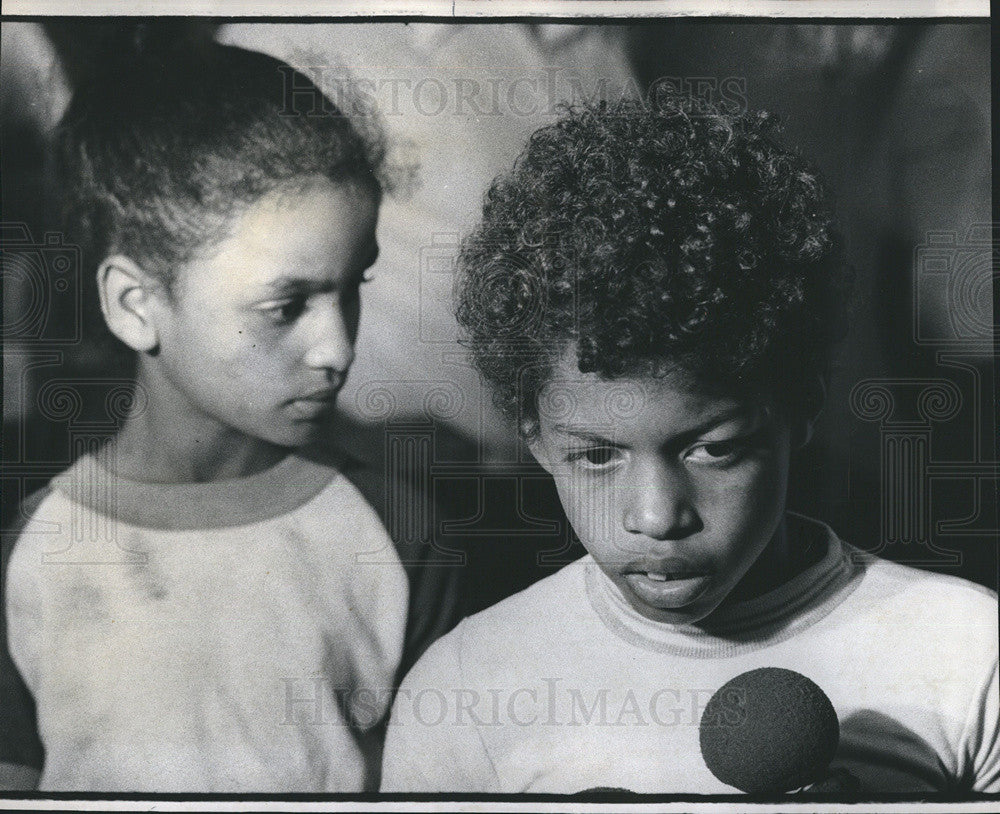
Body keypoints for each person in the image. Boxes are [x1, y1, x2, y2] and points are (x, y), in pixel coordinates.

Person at [379, 98, 999, 794]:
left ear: (800, 409)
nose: (656, 516)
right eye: (597, 455)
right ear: (535, 438)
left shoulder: (970, 652)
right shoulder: (466, 692)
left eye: (713, 449)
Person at [1, 33, 415, 792]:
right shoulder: (29, 558)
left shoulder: (400, 532)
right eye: (286, 305)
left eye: (353, 286)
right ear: (136, 306)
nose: (338, 348)